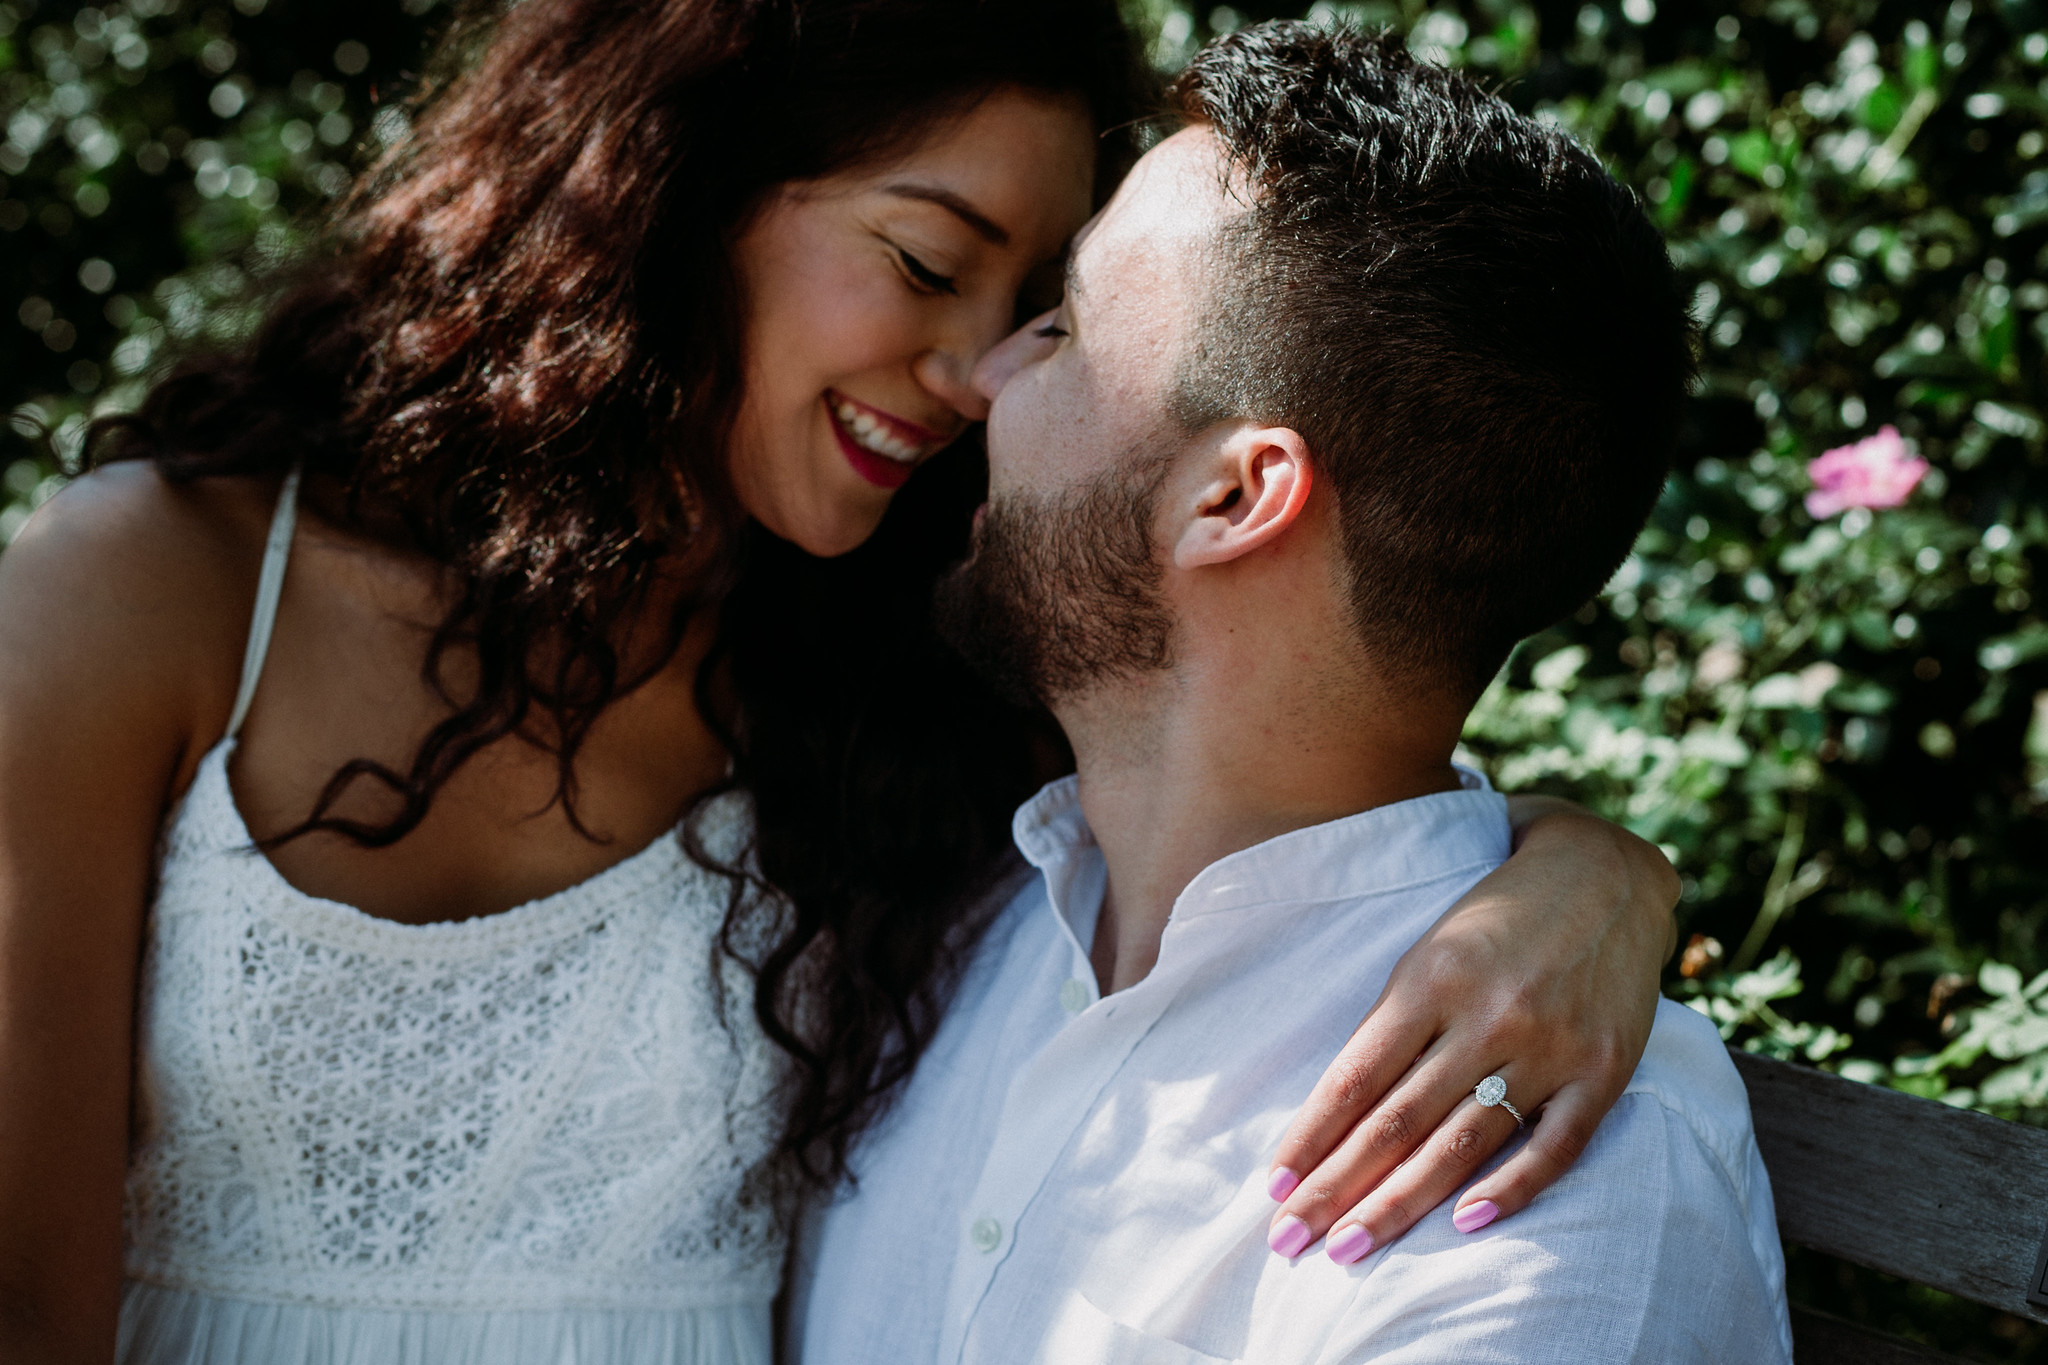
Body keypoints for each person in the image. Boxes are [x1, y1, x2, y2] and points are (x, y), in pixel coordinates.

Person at [0, 3, 1680, 1363]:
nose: (971, 373)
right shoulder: (156, 586)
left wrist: (1587, 872)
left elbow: (1304, 741)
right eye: (931, 265)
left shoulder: (912, 669)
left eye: (1041, 307)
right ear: (672, 183)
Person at [793, 22, 1792, 1365]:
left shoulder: (1547, 1192)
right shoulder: (966, 916)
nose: (986, 372)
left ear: (1234, 497)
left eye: (1069, 326)